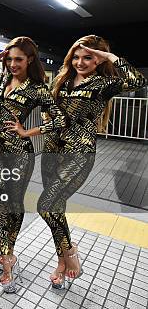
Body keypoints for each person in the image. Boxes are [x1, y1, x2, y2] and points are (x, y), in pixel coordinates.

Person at [39, 35, 146, 289]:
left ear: (98, 59)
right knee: (57, 209)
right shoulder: (62, 79)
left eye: (88, 57)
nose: (80, 61)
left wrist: (109, 56)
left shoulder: (103, 84)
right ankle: (62, 263)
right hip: (52, 150)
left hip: (79, 153)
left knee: (46, 204)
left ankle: (71, 255)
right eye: (76, 56)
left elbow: (137, 80)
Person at [0, 37, 66, 293]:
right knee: (1, 205)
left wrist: (28, 132)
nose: (13, 64)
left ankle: (8, 254)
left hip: (20, 156)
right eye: (9, 59)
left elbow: (59, 120)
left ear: (30, 60)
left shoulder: (37, 88)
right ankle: (6, 255)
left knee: (13, 205)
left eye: (19, 59)